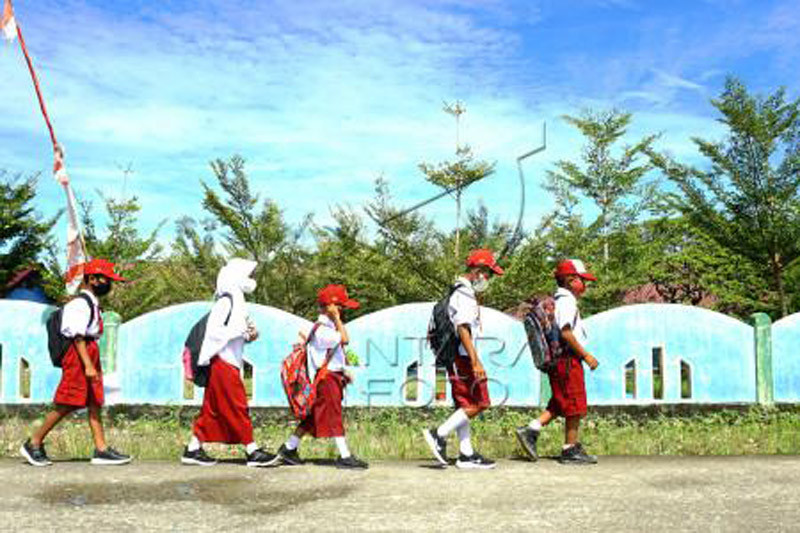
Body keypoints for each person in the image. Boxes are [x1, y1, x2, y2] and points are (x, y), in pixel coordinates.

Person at [20, 259, 131, 466]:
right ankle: (33, 443)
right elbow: (77, 336)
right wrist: (88, 365)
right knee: (69, 401)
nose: (108, 284)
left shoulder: (92, 303)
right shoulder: (79, 303)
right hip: (79, 354)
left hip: (89, 351)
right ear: (91, 279)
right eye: (105, 279)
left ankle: (101, 449)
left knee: (94, 401)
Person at [181, 258, 279, 467]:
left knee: (212, 409)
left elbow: (232, 334)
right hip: (222, 361)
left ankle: (192, 449)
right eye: (246, 275)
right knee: (237, 405)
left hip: (227, 360)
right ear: (235, 277)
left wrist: (248, 335)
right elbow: (215, 332)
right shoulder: (226, 301)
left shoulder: (236, 301)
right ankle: (252, 450)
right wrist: (241, 331)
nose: (250, 280)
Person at [423, 249, 503, 469]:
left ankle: (465, 454)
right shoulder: (464, 294)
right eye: (489, 274)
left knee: (465, 404)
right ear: (478, 271)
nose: (489, 279)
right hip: (463, 357)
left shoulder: (458, 291)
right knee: (480, 401)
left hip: (458, 357)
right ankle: (438, 434)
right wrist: (476, 361)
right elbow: (463, 328)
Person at [516, 259, 600, 465]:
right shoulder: (567, 302)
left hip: (560, 359)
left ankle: (531, 429)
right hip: (568, 358)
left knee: (561, 401)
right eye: (582, 280)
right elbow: (566, 332)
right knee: (575, 404)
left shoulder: (559, 300)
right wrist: (586, 355)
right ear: (571, 280)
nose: (585, 285)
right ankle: (570, 449)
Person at [277, 284, 368, 470]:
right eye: (340, 307)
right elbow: (345, 339)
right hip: (327, 380)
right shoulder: (322, 330)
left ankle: (288, 448)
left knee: (313, 417)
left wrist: (344, 371)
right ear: (330, 307)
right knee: (334, 416)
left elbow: (335, 354)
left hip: (330, 377)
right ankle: (345, 456)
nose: (342, 311)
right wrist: (336, 318)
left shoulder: (326, 327)